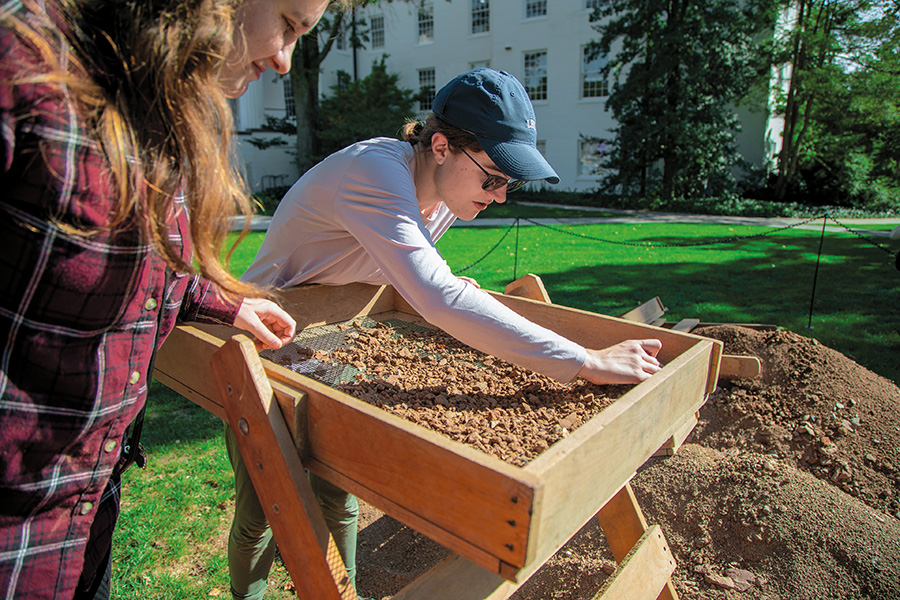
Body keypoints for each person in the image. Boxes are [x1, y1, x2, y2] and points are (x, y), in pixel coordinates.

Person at [229, 68, 663, 599]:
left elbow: (415, 275)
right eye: (492, 178)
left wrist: (446, 283)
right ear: (440, 146)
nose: (500, 196)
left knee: (334, 488)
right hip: (266, 336)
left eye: (510, 183)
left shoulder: (440, 195)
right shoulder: (374, 172)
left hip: (336, 336)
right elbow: (435, 296)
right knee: (263, 502)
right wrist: (585, 360)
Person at [0, 0, 335, 597]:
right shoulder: (22, 61)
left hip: (86, 509)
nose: (285, 61)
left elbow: (131, 254)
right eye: (288, 24)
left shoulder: (157, 97)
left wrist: (223, 301)